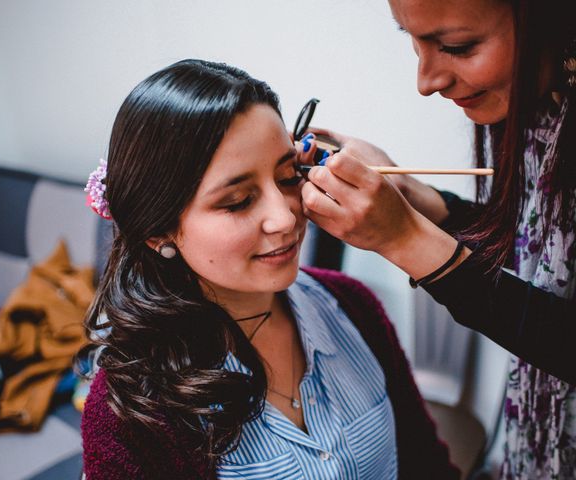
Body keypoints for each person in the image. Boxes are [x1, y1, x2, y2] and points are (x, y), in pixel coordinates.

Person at [79, 59, 459, 479]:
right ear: (158, 230)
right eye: (238, 201)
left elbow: (427, 464)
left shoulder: (353, 306)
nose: (285, 217)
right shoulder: (129, 410)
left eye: (288, 176)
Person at [296, 0, 576, 477]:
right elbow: (545, 250)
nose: (426, 82)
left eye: (456, 46)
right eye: (412, 40)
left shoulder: (353, 308)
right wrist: (409, 193)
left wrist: (405, 238)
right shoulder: (548, 105)